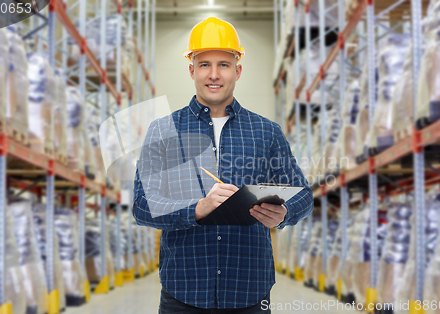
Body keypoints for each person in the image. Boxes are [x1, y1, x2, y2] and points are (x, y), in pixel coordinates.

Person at [133, 17, 314, 314]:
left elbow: (303, 194)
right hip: (184, 292)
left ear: (238, 70)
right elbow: (142, 206)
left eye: (224, 64)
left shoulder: (266, 131)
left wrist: (284, 213)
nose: (214, 75)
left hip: (249, 292)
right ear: (191, 70)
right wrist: (196, 210)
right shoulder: (163, 131)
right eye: (204, 64)